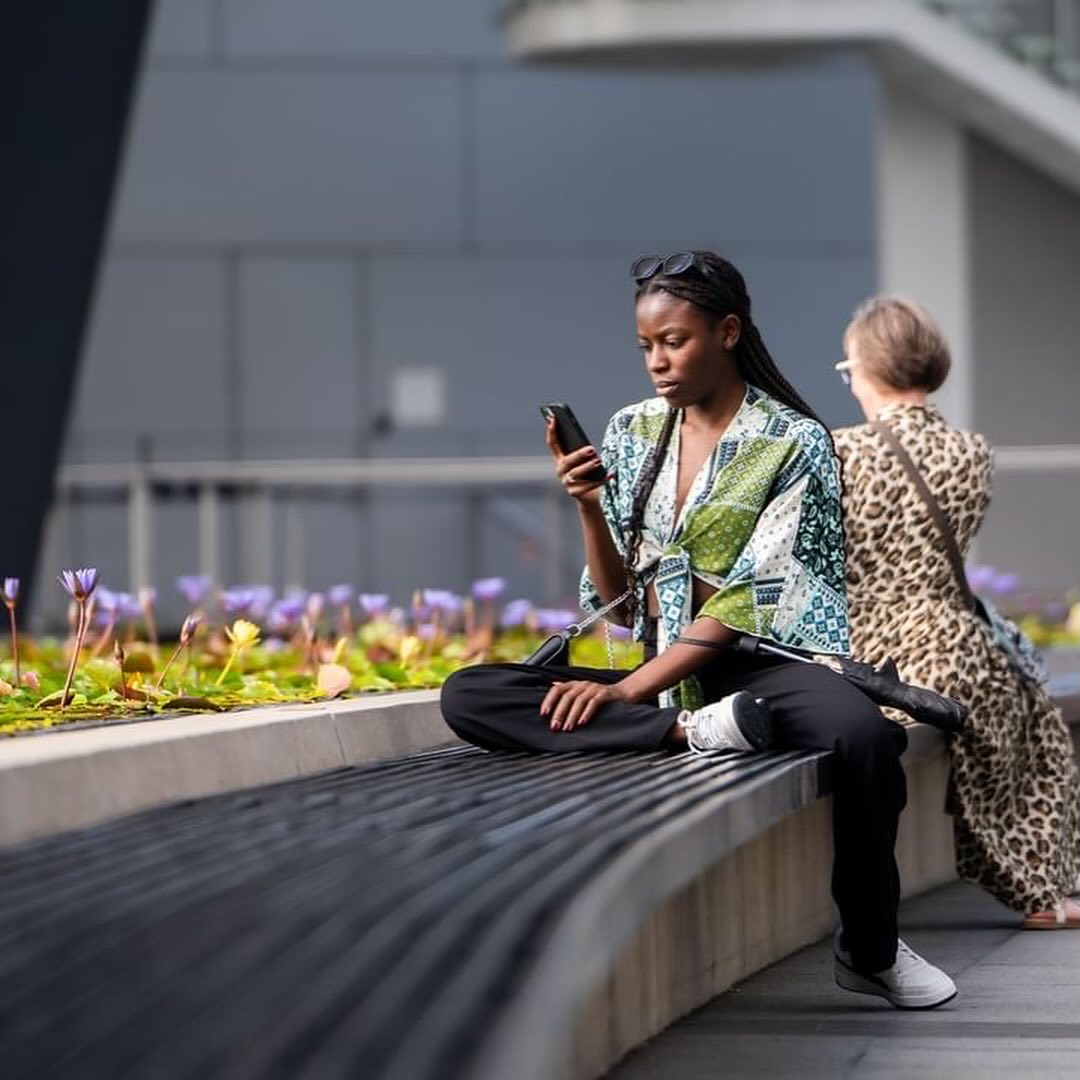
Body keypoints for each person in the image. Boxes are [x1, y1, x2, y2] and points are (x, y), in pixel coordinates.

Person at [441, 251, 957, 1007]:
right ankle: (691, 735)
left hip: (759, 667)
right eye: (647, 346)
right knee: (468, 695)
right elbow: (618, 602)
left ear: (726, 331)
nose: (658, 361)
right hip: (667, 675)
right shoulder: (631, 431)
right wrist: (587, 505)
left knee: (868, 738)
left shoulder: (794, 441)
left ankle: (872, 950)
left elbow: (752, 597)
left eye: (674, 341)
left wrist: (628, 696)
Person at [832, 295, 1080, 929]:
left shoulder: (843, 453)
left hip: (883, 646)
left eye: (849, 367)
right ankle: (1048, 887)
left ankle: (1034, 891)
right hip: (966, 643)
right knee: (1035, 729)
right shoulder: (973, 451)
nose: (850, 380)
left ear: (870, 367)